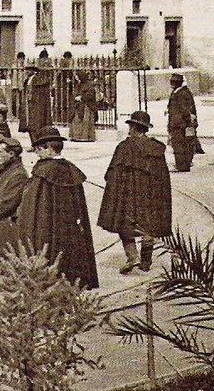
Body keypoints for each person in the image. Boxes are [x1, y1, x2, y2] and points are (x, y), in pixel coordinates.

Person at [15, 127, 98, 289]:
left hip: (47, 231)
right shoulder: (70, 169)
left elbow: (31, 207)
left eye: (39, 149)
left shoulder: (43, 172)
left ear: (49, 148)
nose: (37, 153)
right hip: (71, 231)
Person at [98, 111, 173, 274]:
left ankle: (133, 257)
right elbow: (163, 176)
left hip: (128, 194)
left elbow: (111, 172)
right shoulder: (156, 148)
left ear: (133, 128)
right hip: (150, 194)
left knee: (124, 224)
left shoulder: (125, 147)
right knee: (148, 225)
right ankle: (146, 261)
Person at [166, 72, 200, 172]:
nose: (172, 84)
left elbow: (185, 110)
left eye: (174, 82)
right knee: (183, 144)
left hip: (180, 124)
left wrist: (187, 123)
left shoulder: (181, 94)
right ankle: (184, 163)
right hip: (179, 123)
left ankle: (182, 165)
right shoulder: (179, 92)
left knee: (179, 145)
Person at [68, 72, 98, 142]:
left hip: (86, 106)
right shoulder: (79, 85)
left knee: (85, 121)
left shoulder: (89, 86)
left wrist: (81, 97)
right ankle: (76, 137)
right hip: (79, 106)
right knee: (76, 120)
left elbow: (90, 95)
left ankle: (85, 137)